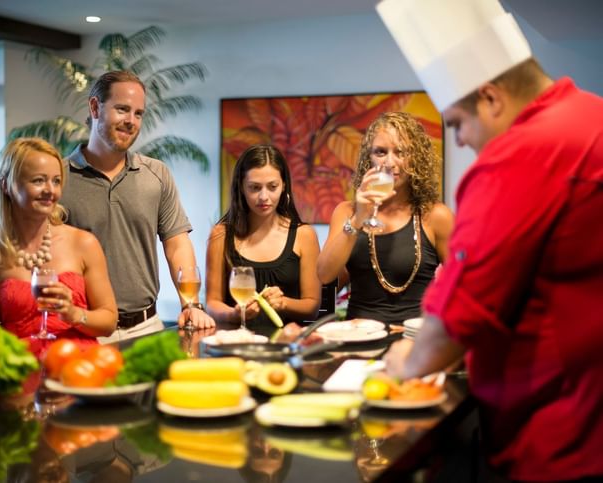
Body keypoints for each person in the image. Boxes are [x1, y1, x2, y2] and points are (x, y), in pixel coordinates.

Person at [377, 0, 603, 481]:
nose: (458, 142)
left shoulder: (518, 156)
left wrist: (404, 364)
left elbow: (455, 321)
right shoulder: (592, 115)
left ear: (491, 97)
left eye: (457, 122)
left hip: (558, 440)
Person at [61, 70, 215, 342]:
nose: (131, 121)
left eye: (138, 113)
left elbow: (177, 244)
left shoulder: (156, 173)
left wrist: (190, 303)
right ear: (95, 107)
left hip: (147, 326)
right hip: (83, 329)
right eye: (122, 109)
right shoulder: (59, 178)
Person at [0, 137, 118, 354]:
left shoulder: (83, 243)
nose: (50, 190)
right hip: (20, 370)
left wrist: (74, 314)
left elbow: (109, 321)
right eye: (38, 181)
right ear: (6, 185)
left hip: (79, 369)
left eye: (56, 181)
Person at [317, 112, 453, 325]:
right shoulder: (346, 212)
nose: (390, 162)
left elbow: (461, 285)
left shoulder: (435, 215)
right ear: (368, 157)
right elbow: (325, 275)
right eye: (381, 152)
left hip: (413, 340)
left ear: (415, 157)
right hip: (358, 339)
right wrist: (358, 218)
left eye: (401, 151)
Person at [206, 144, 321, 329]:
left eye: (272, 187)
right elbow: (212, 303)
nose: (264, 197)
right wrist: (234, 314)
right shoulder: (221, 234)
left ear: (284, 186)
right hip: (236, 343)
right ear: (241, 188)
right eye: (254, 188)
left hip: (287, 345)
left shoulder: (304, 235)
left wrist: (284, 303)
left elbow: (312, 306)